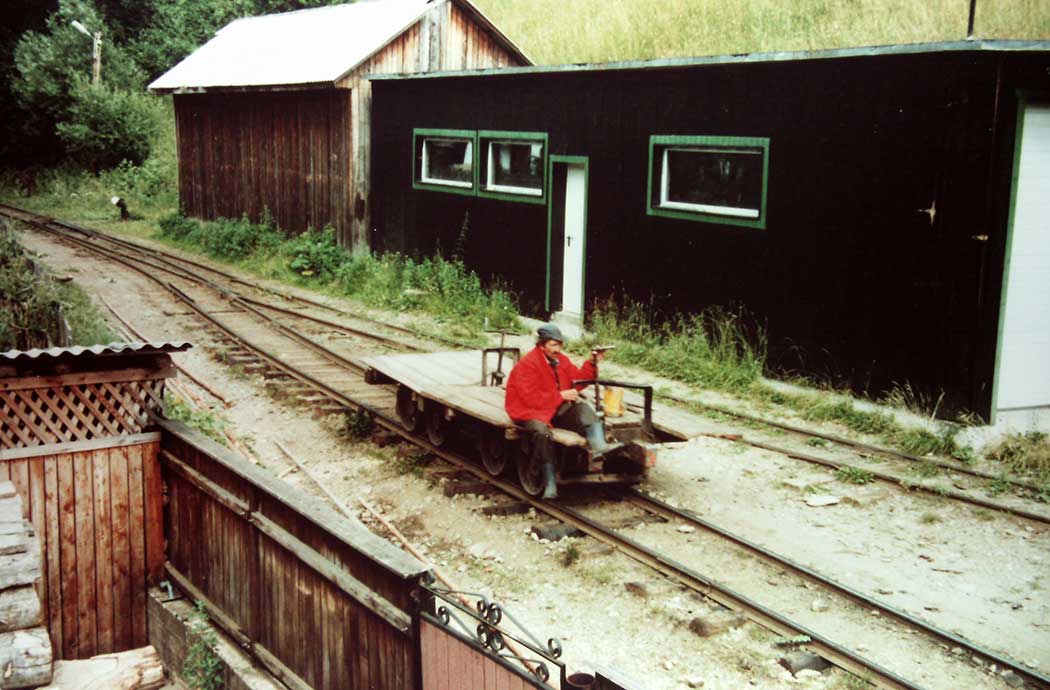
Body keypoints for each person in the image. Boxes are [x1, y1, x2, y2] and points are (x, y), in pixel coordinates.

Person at [504, 322, 620, 499]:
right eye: (553, 344)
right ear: (541, 345)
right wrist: (561, 395)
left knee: (582, 408)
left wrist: (592, 363)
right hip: (529, 411)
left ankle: (599, 447)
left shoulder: (561, 360)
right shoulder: (527, 365)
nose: (557, 349)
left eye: (559, 344)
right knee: (543, 434)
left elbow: (578, 380)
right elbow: (530, 399)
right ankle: (549, 482)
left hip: (553, 408)